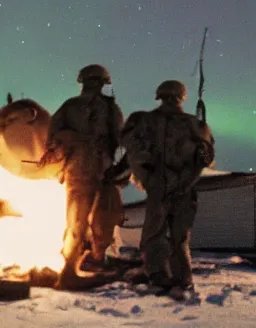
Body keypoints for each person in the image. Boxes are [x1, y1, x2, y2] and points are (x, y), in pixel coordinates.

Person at [121, 80, 215, 300]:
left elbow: (131, 148)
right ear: (182, 97)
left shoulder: (143, 121)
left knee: (155, 235)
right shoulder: (194, 124)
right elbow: (208, 158)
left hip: (161, 188)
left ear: (159, 95)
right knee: (178, 238)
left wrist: (145, 174)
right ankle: (181, 281)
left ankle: (160, 277)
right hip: (183, 188)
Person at [43, 64, 123, 289]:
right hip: (92, 170)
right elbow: (119, 138)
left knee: (88, 220)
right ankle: (74, 268)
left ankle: (86, 263)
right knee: (89, 221)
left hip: (90, 170)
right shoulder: (98, 108)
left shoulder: (76, 107)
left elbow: (52, 138)